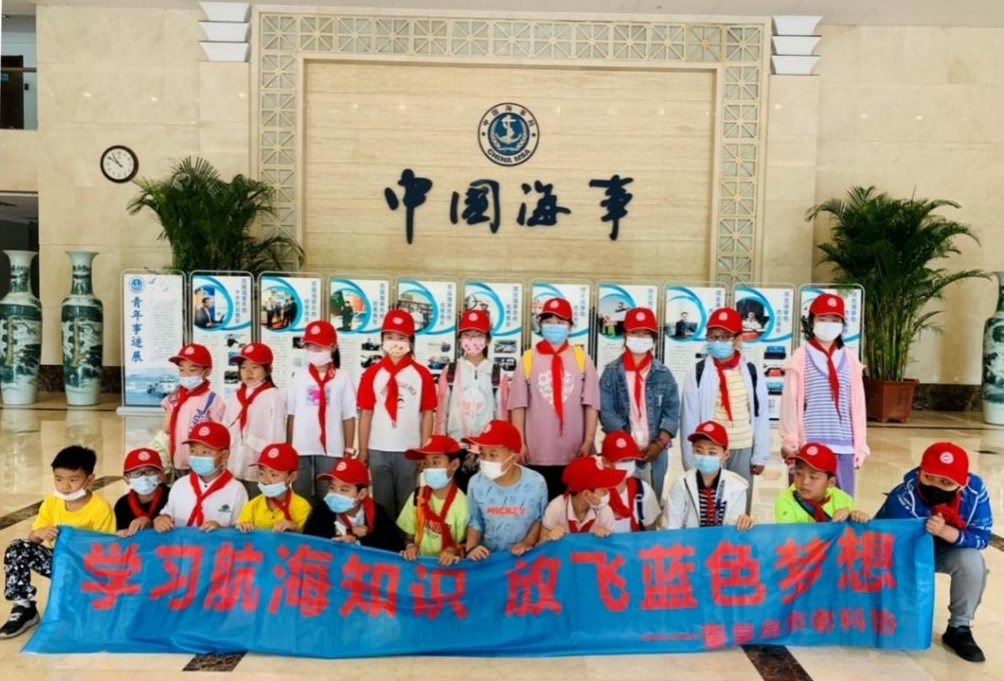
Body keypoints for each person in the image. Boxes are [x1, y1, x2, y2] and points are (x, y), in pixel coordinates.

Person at [875, 442, 992, 663]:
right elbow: (890, 544)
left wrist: (946, 532)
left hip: (946, 548)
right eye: (929, 477)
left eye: (945, 482)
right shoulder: (904, 495)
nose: (935, 486)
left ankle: (959, 627)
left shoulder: (974, 492)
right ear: (920, 471)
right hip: (904, 550)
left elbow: (982, 537)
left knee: (972, 561)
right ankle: (894, 614)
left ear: (961, 484)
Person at [1, 446, 114, 639]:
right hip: (58, 561)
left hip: (86, 566)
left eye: (73, 480)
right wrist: (39, 533)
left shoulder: (101, 508)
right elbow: (33, 538)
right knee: (17, 548)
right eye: (59, 479)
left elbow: (106, 550)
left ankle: (84, 601)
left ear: (90, 480)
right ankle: (24, 607)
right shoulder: (51, 503)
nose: (65, 486)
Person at [508, 297, 601, 500]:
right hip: (536, 452)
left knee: (570, 506)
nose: (554, 326)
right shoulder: (528, 358)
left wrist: (589, 440)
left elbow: (592, 403)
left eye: (560, 322)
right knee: (537, 505)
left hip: (574, 451)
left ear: (570, 326)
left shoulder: (582, 359)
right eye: (549, 321)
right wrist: (520, 442)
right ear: (540, 325)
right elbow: (518, 405)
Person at [680, 307, 768, 514]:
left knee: (739, 506)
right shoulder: (698, 372)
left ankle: (737, 536)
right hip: (710, 450)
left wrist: (760, 455)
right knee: (709, 507)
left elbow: (760, 414)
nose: (718, 342)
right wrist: (690, 459)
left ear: (738, 339)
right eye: (713, 336)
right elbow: (689, 418)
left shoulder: (751, 371)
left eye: (725, 337)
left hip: (742, 446)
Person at [780, 293, 868, 496]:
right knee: (805, 502)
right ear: (812, 321)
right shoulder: (801, 356)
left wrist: (859, 446)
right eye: (822, 318)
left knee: (842, 504)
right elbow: (790, 403)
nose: (829, 324)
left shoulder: (849, 358)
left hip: (843, 446)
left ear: (842, 324)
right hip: (810, 445)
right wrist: (791, 442)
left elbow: (858, 406)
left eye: (835, 319)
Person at [358, 309, 436, 519]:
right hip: (378, 448)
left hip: (409, 450)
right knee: (382, 506)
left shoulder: (422, 374)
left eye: (401, 337)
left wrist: (424, 450)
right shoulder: (372, 374)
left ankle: (405, 540)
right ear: (382, 339)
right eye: (390, 337)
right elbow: (366, 414)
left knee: (407, 507)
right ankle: (384, 539)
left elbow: (427, 414)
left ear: (411, 341)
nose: (395, 342)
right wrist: (363, 450)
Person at [599, 307, 679, 499]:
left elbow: (672, 411)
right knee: (621, 500)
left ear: (653, 338)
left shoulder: (664, 374)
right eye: (635, 333)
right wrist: (626, 445)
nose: (640, 338)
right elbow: (606, 411)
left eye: (645, 334)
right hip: (621, 451)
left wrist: (660, 444)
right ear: (625, 335)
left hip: (655, 451)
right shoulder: (611, 373)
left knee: (651, 500)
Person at [434, 308, 508, 491]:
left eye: (478, 335)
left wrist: (501, 449)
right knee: (456, 496)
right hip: (455, 448)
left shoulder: (498, 373)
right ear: (460, 339)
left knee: (485, 494)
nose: (472, 340)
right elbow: (441, 414)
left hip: (487, 450)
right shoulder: (450, 371)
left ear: (488, 339)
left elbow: (502, 417)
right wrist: (440, 448)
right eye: (467, 335)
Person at [286, 321, 356, 500]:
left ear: (333, 347)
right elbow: (292, 415)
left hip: (332, 448)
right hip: (301, 447)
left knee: (329, 496)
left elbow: (348, 416)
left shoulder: (342, 378)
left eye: (321, 346)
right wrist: (289, 448)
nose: (315, 350)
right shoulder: (298, 376)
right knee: (301, 496)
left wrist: (348, 449)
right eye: (311, 345)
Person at [463, 420, 548, 560]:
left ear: (514, 457)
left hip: (524, 559)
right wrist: (471, 547)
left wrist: (527, 542)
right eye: (482, 454)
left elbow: (538, 519)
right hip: (488, 558)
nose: (485, 460)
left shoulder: (536, 482)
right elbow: (475, 521)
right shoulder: (475, 483)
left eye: (493, 454)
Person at [154, 422, 248, 532]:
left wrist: (221, 530)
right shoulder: (180, 485)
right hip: (182, 542)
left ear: (224, 454)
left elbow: (240, 528)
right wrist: (161, 519)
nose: (198, 456)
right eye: (193, 451)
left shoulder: (237, 489)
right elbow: (168, 513)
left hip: (218, 543)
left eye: (205, 452)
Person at [661, 421, 753, 531]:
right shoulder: (681, 484)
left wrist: (743, 522)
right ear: (692, 450)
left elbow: (733, 527)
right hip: (688, 541)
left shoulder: (737, 486)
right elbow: (671, 526)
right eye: (699, 451)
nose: (704, 457)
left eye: (712, 453)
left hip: (723, 540)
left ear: (725, 455)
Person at [224, 342, 286, 498]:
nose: (248, 372)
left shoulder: (273, 396)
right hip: (233, 465)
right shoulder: (235, 396)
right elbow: (226, 428)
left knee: (256, 502)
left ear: (268, 370)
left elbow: (277, 435)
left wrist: (273, 466)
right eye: (243, 367)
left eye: (255, 367)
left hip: (258, 466)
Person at [304, 457, 403, 552]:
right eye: (332, 487)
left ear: (362, 494)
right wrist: (350, 534)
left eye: (344, 490)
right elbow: (309, 543)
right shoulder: (322, 509)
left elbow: (395, 546)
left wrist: (360, 539)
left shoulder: (378, 514)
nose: (335, 494)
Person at [397, 435, 469, 565]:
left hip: (447, 569)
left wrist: (453, 550)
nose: (429, 469)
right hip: (419, 566)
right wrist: (410, 547)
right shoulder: (418, 496)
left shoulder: (463, 504)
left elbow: (465, 546)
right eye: (427, 463)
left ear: (454, 465)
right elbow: (408, 538)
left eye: (436, 462)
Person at [162, 343, 225, 479]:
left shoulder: (213, 400)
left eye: (192, 370)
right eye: (182, 369)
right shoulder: (173, 397)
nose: (186, 375)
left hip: (203, 461)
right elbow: (166, 428)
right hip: (178, 459)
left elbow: (220, 434)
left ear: (207, 372)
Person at [774, 443, 868, 523]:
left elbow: (851, 534)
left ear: (831, 482)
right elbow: (789, 536)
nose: (804, 482)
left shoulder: (844, 500)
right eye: (798, 474)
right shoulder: (785, 501)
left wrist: (855, 518)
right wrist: (833, 525)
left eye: (813, 477)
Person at [539, 456, 622, 543]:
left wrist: (607, 537)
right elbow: (540, 545)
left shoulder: (605, 510)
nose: (607, 491)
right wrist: (549, 537)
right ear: (586, 494)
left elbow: (611, 547)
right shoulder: (556, 507)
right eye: (603, 487)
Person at [235, 443, 311, 533]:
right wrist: (243, 528)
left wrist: (294, 528)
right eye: (261, 474)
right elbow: (241, 539)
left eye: (274, 475)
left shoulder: (302, 508)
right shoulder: (252, 506)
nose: (266, 481)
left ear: (293, 476)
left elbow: (307, 540)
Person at [598, 431, 661, 532]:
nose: (627, 465)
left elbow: (651, 533)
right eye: (622, 461)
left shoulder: (643, 490)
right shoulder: (593, 494)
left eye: (631, 459)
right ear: (605, 461)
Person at [115, 447, 171, 538]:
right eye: (136, 473)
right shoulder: (122, 505)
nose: (144, 478)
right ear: (126, 479)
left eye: (149, 471)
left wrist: (151, 524)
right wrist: (122, 533)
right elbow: (121, 537)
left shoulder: (172, 497)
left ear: (160, 474)